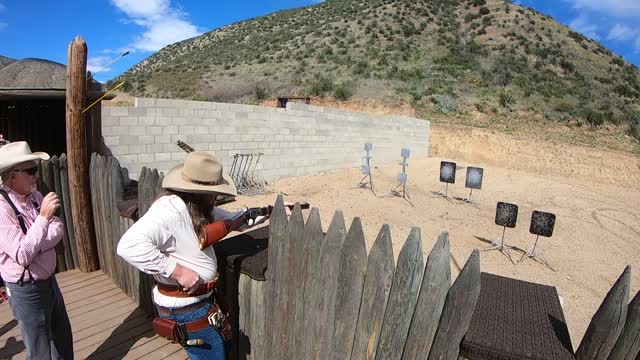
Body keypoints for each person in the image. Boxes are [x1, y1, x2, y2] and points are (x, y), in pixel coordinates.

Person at [117, 151, 281, 360]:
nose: (217, 196)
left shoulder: (196, 206)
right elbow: (128, 246)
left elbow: (234, 220)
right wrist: (178, 271)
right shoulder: (171, 209)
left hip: (197, 304)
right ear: (202, 191)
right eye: (214, 191)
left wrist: (268, 211)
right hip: (187, 308)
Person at [0, 141, 74, 360]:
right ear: (12, 175)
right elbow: (22, 255)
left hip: (49, 280)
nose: (35, 175)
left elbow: (58, 227)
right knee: (40, 350)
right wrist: (42, 218)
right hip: (27, 290)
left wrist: (37, 244)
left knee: (61, 339)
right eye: (31, 170)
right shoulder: (2, 208)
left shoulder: (34, 196)